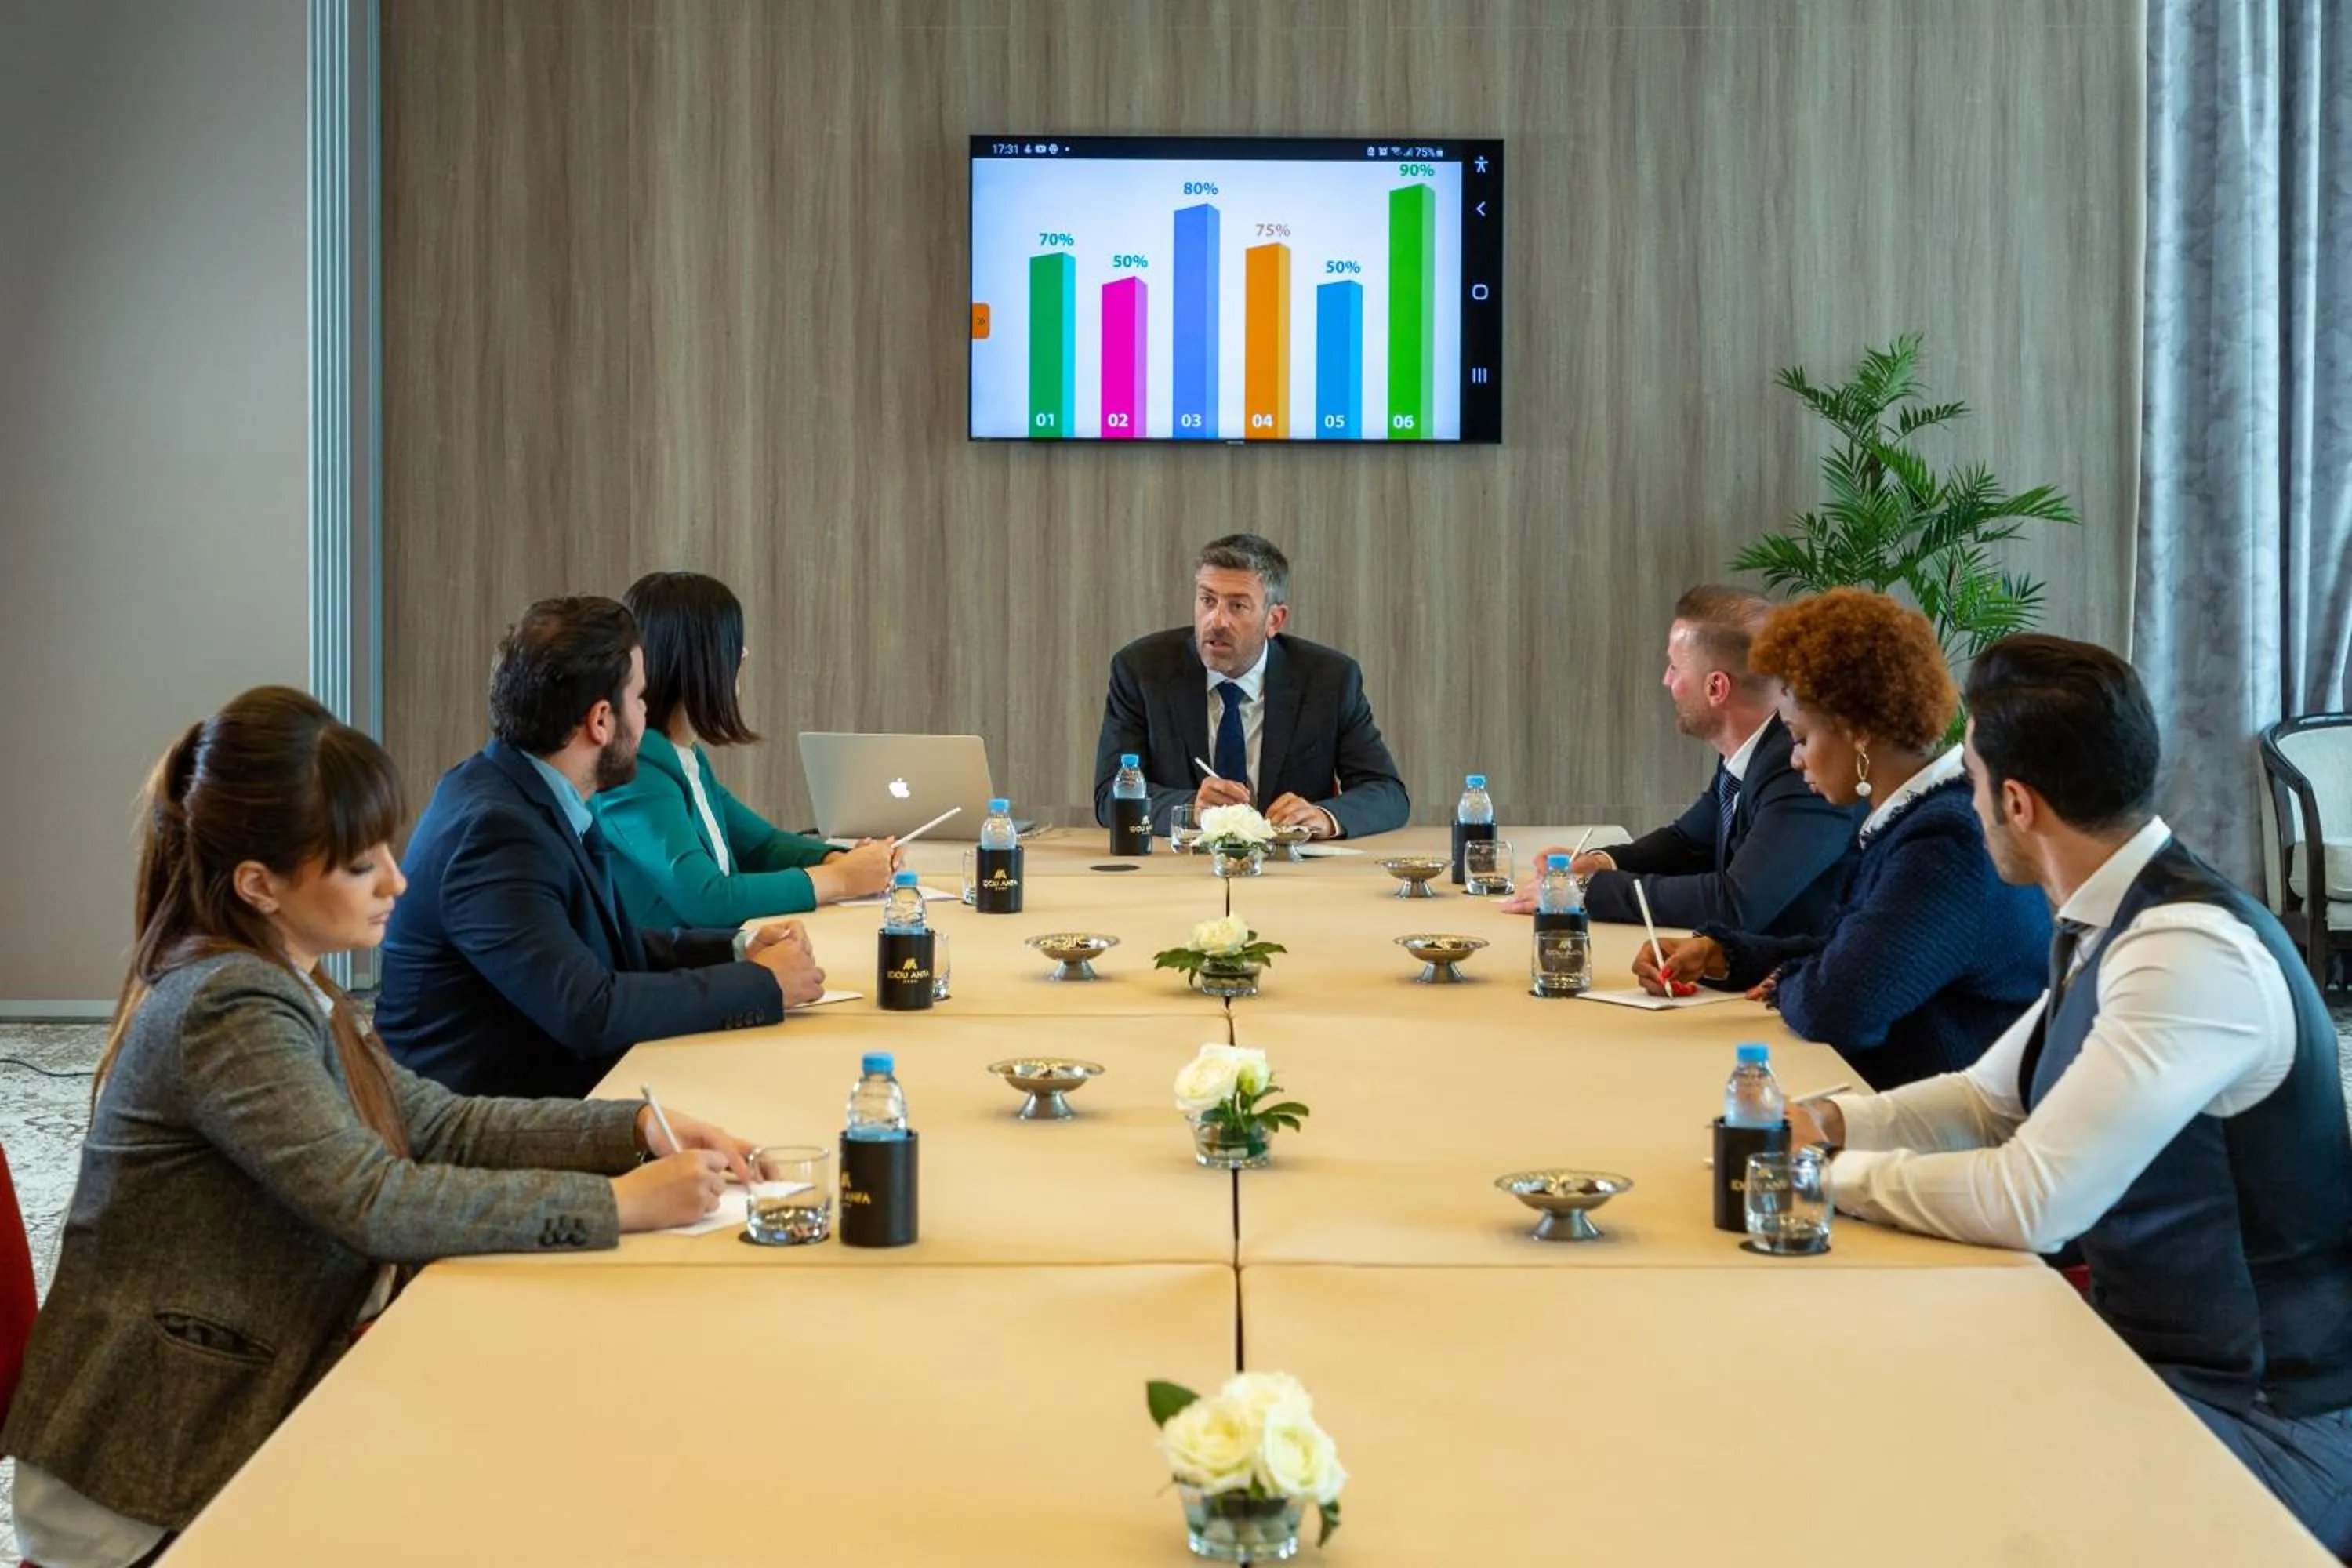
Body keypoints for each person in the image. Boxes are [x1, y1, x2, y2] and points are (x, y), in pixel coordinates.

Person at [1, 688, 753, 1566]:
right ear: (259, 885)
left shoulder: (282, 976)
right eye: (363, 865)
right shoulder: (226, 1005)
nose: (399, 879)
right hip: (158, 1461)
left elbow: (432, 1120)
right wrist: (619, 1206)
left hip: (242, 1383)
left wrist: (636, 1132)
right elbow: (375, 1199)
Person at [1791, 636, 2352, 1552]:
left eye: (1971, 783)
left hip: (2266, 1423)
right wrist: (1829, 1118)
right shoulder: (2116, 918)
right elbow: (1986, 1101)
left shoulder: (2186, 952)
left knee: (1915, 1507)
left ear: (2018, 801)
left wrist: (1821, 1177)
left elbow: (2032, 1199)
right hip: (2147, 1365)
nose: (1969, 807)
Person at [377, 597, 824, 1101]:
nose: (647, 714)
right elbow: (589, 1009)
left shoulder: (522, 790)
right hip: (494, 1124)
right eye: (640, 698)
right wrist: (763, 985)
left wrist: (737, 949)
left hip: (556, 1084)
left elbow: (598, 944)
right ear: (601, 721)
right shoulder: (495, 834)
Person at [1630, 590, 2049, 1088]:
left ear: (1857, 733)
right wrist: (1724, 954)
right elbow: (1849, 950)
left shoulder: (1945, 843)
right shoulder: (1918, 820)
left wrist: (1786, 980)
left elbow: (1838, 1005)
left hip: (1939, 1129)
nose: (1794, 759)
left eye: (1802, 737)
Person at [1504, 585, 1860, 936]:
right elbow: (1688, 843)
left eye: (1674, 668)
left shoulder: (1800, 765)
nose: (1666, 680)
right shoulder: (1753, 750)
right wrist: (1600, 864)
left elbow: (1736, 904)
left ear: (1716, 688)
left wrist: (1585, 892)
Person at [594, 571, 898, 926]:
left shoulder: (683, 754)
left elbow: (760, 845)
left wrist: (841, 861)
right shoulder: (636, 766)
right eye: (732, 642)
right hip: (672, 970)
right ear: (700, 658)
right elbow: (708, 900)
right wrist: (843, 879)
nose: (744, 653)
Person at [1092, 533, 1408, 839]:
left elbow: (1387, 793)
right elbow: (1110, 795)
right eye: (1207, 600)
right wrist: (1191, 809)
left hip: (1291, 874)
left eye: (1237, 606)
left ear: (1274, 620)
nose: (1216, 621)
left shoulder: (1329, 679)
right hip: (1178, 871)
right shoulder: (1142, 670)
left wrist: (1324, 817)